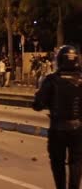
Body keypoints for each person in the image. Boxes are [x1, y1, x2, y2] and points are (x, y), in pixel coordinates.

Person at [33, 45, 82, 189]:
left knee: (57, 162)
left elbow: (37, 105)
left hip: (58, 129)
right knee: (77, 161)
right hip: (78, 128)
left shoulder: (52, 79)